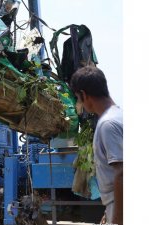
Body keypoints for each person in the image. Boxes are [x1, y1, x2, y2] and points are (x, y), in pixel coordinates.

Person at [70, 66, 123, 225]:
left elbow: (121, 174)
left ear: (83, 95)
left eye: (78, 99)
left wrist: (117, 219)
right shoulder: (119, 116)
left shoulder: (107, 124)